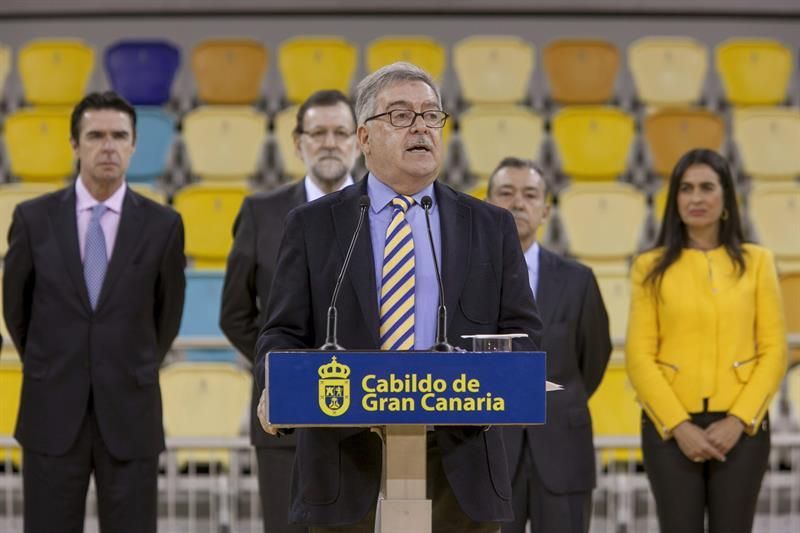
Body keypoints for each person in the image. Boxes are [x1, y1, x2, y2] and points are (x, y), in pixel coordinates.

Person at [254, 62, 542, 533]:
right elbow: (282, 332)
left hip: (461, 465)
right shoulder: (312, 225)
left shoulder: (490, 226)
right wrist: (278, 385)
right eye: (401, 115)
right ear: (364, 138)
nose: (421, 127)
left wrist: (492, 377)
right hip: (345, 463)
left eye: (431, 115)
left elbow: (525, 334)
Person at [2, 91, 186, 533]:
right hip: (51, 412)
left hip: (130, 414)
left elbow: (167, 316)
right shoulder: (33, 219)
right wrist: (54, 364)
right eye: (96, 136)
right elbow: (16, 309)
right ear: (75, 144)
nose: (108, 146)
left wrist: (126, 365)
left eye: (119, 136)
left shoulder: (163, 225)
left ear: (133, 145)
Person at [220, 89, 360, 533]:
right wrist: (286, 368)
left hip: (366, 415)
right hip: (283, 417)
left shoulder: (384, 212)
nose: (329, 143)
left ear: (359, 141)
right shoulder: (260, 213)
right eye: (318, 133)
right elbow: (235, 313)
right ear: (298, 143)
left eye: (340, 132)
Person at [625, 148, 787, 533]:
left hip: (742, 430)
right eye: (686, 188)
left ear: (726, 196)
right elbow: (639, 355)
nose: (696, 198)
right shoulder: (649, 267)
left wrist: (738, 420)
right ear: (674, 199)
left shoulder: (758, 262)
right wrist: (679, 426)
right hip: (669, 430)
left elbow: (774, 350)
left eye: (707, 187)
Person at [485, 157, 611, 533]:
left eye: (530, 194)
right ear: (488, 204)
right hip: (489, 452)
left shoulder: (578, 280)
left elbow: (594, 358)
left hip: (563, 449)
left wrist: (556, 399)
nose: (517, 203)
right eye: (506, 193)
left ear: (545, 210)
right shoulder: (464, 278)